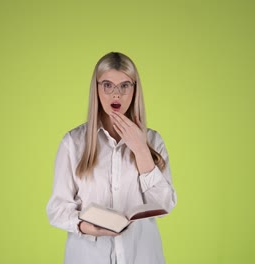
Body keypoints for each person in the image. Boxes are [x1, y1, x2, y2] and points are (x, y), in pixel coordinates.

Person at [46, 52, 177, 264]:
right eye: (107, 85)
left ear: (135, 89)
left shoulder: (153, 140)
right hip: (89, 256)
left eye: (125, 85)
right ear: (96, 88)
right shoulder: (73, 142)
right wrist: (86, 227)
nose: (116, 94)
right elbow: (57, 209)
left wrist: (141, 149)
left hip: (142, 255)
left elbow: (164, 204)